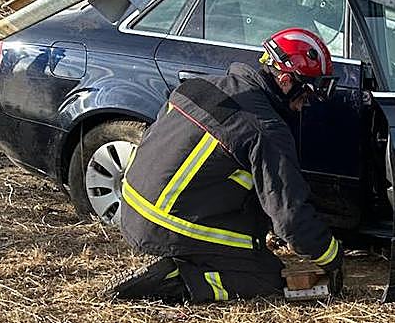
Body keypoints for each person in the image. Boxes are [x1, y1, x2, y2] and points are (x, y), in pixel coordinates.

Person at [109, 27, 343, 302]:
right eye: (305, 96)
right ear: (285, 81)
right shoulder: (264, 129)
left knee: (252, 221)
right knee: (267, 276)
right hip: (162, 225)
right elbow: (290, 217)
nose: (303, 106)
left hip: (131, 207)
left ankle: (187, 258)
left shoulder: (201, 85)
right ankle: (177, 281)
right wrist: (331, 256)